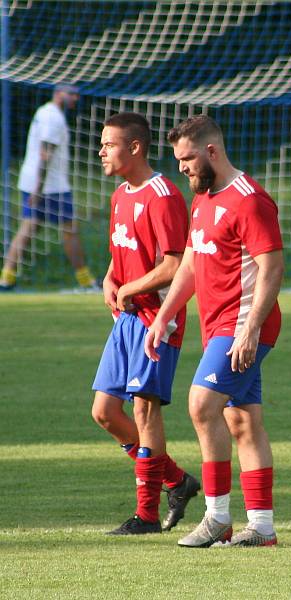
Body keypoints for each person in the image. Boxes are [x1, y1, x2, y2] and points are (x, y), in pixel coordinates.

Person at [145, 114, 284, 548]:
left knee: (202, 404)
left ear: (211, 152)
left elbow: (273, 267)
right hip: (218, 324)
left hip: (243, 324)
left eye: (187, 159)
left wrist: (250, 330)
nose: (182, 168)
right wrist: (165, 313)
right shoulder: (202, 197)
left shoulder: (250, 199)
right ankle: (261, 527)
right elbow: (190, 260)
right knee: (242, 420)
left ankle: (217, 518)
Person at [91, 112, 199, 535]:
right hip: (126, 318)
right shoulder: (121, 195)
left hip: (158, 318)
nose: (101, 151)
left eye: (109, 144)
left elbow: (175, 264)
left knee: (144, 407)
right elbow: (123, 252)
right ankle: (176, 479)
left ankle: (147, 516)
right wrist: (110, 278)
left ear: (134, 147)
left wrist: (132, 285)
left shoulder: (163, 195)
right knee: (103, 412)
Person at [0, 84, 97, 291]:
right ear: (58, 93)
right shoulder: (53, 117)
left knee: (28, 228)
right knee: (70, 230)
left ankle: (6, 279)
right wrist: (38, 188)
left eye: (77, 94)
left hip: (37, 182)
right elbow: (45, 154)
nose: (75, 98)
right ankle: (86, 281)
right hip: (49, 186)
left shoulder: (43, 111)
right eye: (71, 93)